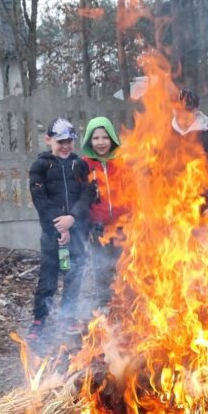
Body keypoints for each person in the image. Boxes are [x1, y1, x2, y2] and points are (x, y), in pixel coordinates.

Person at [27, 118, 94, 338]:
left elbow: (87, 194)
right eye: (60, 141)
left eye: (69, 141)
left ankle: (68, 317)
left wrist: (72, 219)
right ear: (49, 140)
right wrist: (59, 226)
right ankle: (39, 320)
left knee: (74, 275)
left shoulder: (80, 164)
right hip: (52, 233)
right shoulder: (41, 165)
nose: (65, 146)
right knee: (48, 278)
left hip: (76, 231)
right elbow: (40, 199)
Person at [80, 116, 127, 306]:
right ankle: (104, 303)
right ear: (89, 140)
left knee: (124, 264)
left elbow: (132, 192)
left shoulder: (123, 162)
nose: (101, 142)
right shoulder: (83, 165)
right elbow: (81, 198)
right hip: (97, 227)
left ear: (112, 139)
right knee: (100, 267)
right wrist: (85, 226)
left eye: (105, 137)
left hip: (122, 225)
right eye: (96, 138)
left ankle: (126, 302)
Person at [171, 88, 208, 160]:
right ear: (173, 110)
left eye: (188, 110)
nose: (183, 115)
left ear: (196, 109)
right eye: (179, 110)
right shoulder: (164, 135)